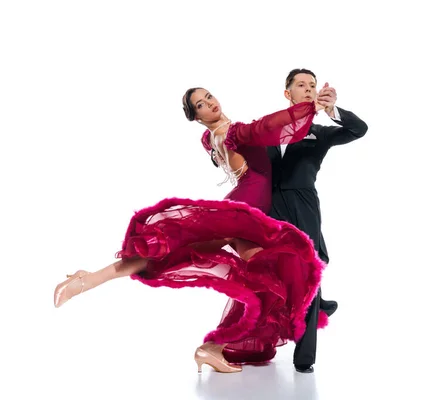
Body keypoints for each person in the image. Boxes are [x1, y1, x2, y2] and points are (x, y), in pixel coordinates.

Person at [53, 87, 329, 373]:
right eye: (201, 104)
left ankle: (213, 348)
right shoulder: (234, 132)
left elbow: (268, 134)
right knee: (176, 254)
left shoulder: (210, 138)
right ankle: (87, 281)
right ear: (196, 117)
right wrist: (311, 107)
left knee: (265, 278)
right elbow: (270, 126)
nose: (210, 103)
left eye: (209, 97)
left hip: (245, 215)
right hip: (242, 213)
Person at [267, 68, 368, 373]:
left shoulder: (320, 133)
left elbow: (358, 129)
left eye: (312, 84)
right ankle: (317, 305)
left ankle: (304, 356)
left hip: (303, 206)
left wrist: (332, 110)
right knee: (274, 275)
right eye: (301, 84)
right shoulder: (267, 129)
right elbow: (239, 148)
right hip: (269, 207)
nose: (308, 89)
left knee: (309, 273)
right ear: (288, 94)